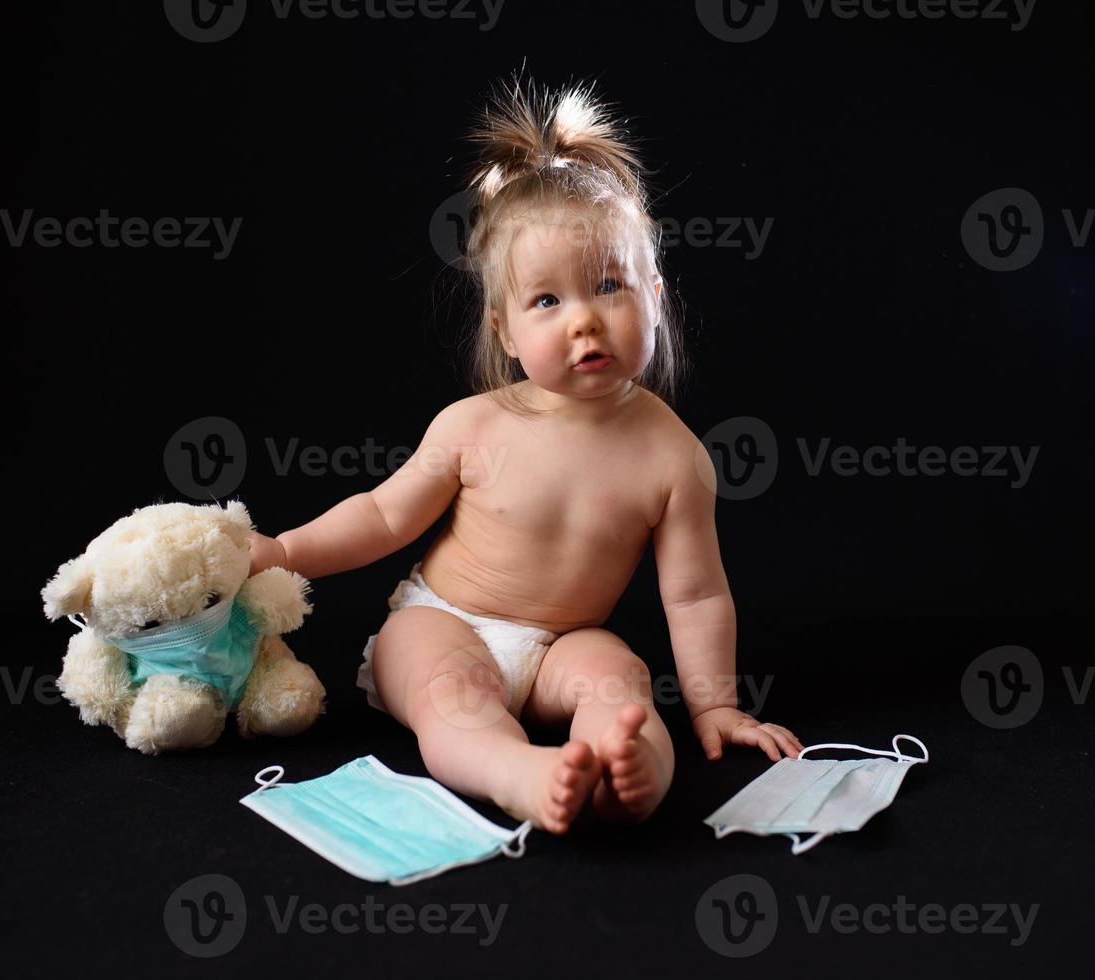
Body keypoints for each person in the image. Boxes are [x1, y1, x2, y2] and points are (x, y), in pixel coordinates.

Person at [248, 75, 802, 834]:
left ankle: (622, 761)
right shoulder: (474, 426)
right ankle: (519, 773)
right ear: (505, 332)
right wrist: (282, 550)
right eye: (548, 301)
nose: (585, 322)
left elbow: (697, 596)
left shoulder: (674, 458)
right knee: (452, 695)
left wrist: (716, 704)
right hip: (442, 618)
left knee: (621, 677)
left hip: (559, 647)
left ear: (657, 297)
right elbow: (382, 517)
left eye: (610, 286)